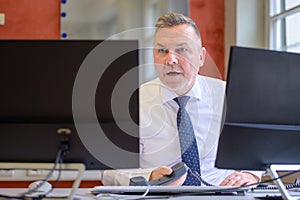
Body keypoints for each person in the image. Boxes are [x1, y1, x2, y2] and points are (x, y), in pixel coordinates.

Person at [102, 13, 260, 186]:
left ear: (201, 57)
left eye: (181, 50)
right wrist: (150, 177)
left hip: (221, 195)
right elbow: (109, 170)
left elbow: (259, 147)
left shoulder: (228, 96)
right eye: (162, 50)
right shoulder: (131, 103)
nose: (170, 60)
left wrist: (250, 174)